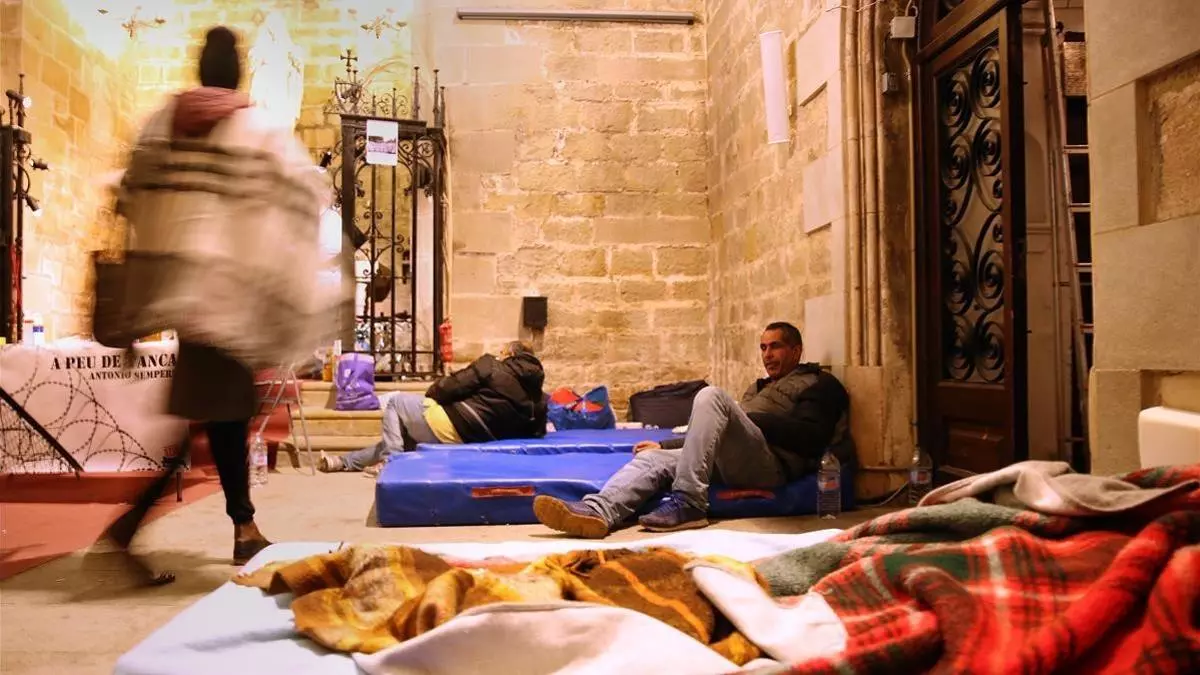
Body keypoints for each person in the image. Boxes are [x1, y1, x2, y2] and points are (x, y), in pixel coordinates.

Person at [97, 26, 347, 583]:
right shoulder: (253, 128)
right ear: (238, 71)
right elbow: (301, 192)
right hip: (230, 305)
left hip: (187, 300)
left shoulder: (163, 124)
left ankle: (239, 527)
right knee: (217, 417)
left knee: (220, 416)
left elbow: (132, 196)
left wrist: (142, 297)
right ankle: (146, 526)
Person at [533, 321, 852, 538]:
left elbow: (812, 438)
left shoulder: (819, 383)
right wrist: (666, 446)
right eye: (763, 348)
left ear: (796, 350)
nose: (767, 355)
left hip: (770, 465)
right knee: (651, 460)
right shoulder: (758, 388)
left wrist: (751, 419)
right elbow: (712, 434)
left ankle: (690, 503)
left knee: (711, 395)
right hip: (732, 459)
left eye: (776, 347)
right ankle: (598, 511)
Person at [319, 341, 548, 475]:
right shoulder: (539, 399)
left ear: (511, 355)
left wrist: (433, 393)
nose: (500, 355)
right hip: (479, 439)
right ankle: (342, 462)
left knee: (397, 403)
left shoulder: (491, 366)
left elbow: (450, 387)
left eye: (503, 352)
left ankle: (391, 463)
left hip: (454, 426)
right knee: (403, 439)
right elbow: (536, 432)